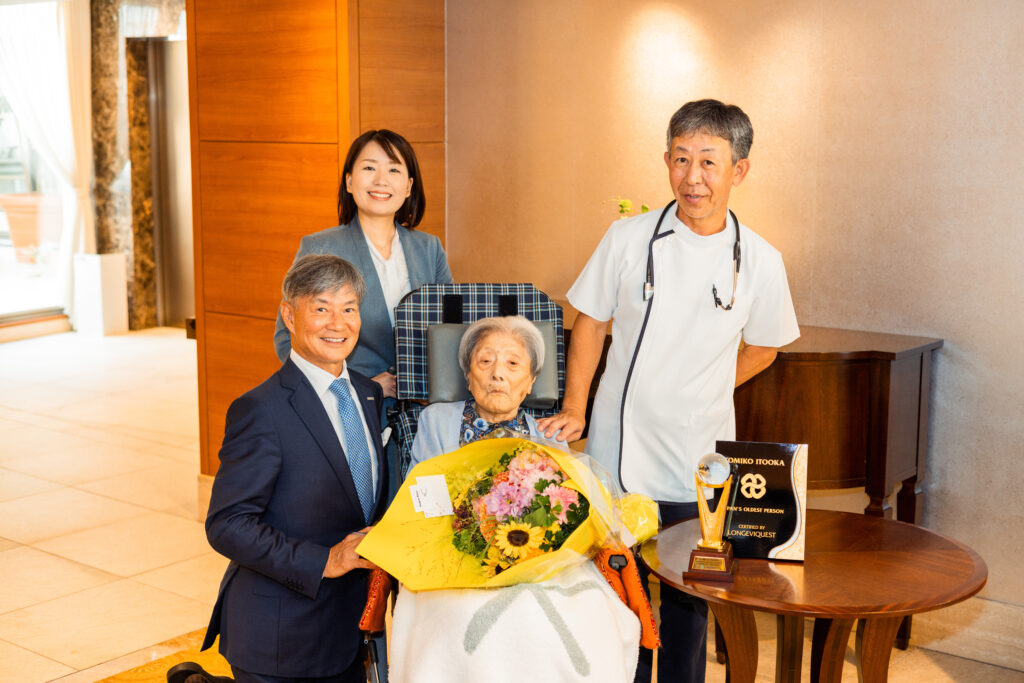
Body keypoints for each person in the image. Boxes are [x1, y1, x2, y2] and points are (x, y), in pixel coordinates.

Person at [538, 99, 800, 683]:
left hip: (698, 460)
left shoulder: (760, 260)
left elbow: (765, 347)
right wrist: (576, 406)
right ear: (665, 162)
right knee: (619, 599)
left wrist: (703, 385)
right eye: (681, 159)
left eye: (709, 161)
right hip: (618, 447)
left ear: (740, 169)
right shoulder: (628, 238)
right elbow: (589, 320)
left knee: (689, 602)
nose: (693, 176)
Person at [391, 316, 643, 683]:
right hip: (452, 561)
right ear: (467, 375)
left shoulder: (550, 434)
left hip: (540, 566)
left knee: (587, 612)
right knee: (461, 620)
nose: (498, 374)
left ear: (530, 382)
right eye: (485, 361)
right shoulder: (437, 421)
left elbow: (569, 515)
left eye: (513, 364)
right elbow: (421, 500)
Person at [195, 254, 388, 683]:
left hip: (348, 628)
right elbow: (227, 524)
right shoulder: (260, 410)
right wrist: (326, 559)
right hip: (280, 636)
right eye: (321, 308)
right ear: (289, 314)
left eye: (349, 308)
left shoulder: (368, 393)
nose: (337, 324)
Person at [274, 129, 454, 398]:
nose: (381, 180)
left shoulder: (430, 248)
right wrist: (361, 385)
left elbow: (451, 329)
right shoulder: (320, 248)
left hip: (423, 407)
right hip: (349, 405)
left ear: (408, 187)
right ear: (349, 181)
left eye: (394, 170)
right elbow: (286, 339)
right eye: (369, 167)